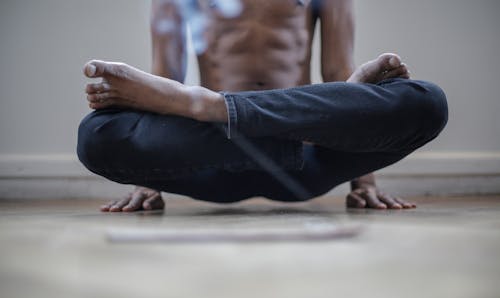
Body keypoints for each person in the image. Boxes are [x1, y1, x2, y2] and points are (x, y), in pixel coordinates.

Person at [78, 0, 447, 212]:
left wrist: (363, 181)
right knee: (96, 136)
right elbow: (162, 80)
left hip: (305, 158)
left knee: (426, 102)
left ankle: (207, 105)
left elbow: (337, 74)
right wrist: (150, 178)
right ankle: (208, 109)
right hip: (211, 160)